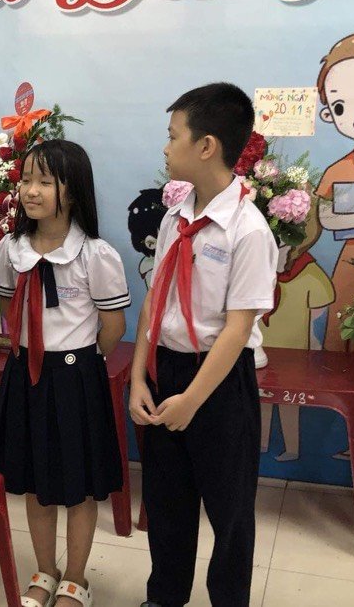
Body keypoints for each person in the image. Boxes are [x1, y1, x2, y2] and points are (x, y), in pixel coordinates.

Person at [130, 83, 277, 607]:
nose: (166, 147)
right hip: (165, 370)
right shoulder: (175, 216)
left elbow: (238, 329)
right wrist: (139, 377)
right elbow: (155, 299)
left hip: (218, 383)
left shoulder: (248, 230)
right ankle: (164, 596)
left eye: (174, 136)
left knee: (229, 510)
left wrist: (192, 401)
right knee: (166, 502)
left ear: (207, 146)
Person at [0, 139, 129, 607]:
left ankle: (76, 579)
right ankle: (45, 571)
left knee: (79, 485)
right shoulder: (11, 248)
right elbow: (7, 307)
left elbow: (113, 326)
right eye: (26, 179)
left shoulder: (95, 254)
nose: (31, 190)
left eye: (45, 181)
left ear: (73, 190)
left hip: (76, 378)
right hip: (25, 374)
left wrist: (81, 363)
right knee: (35, 481)